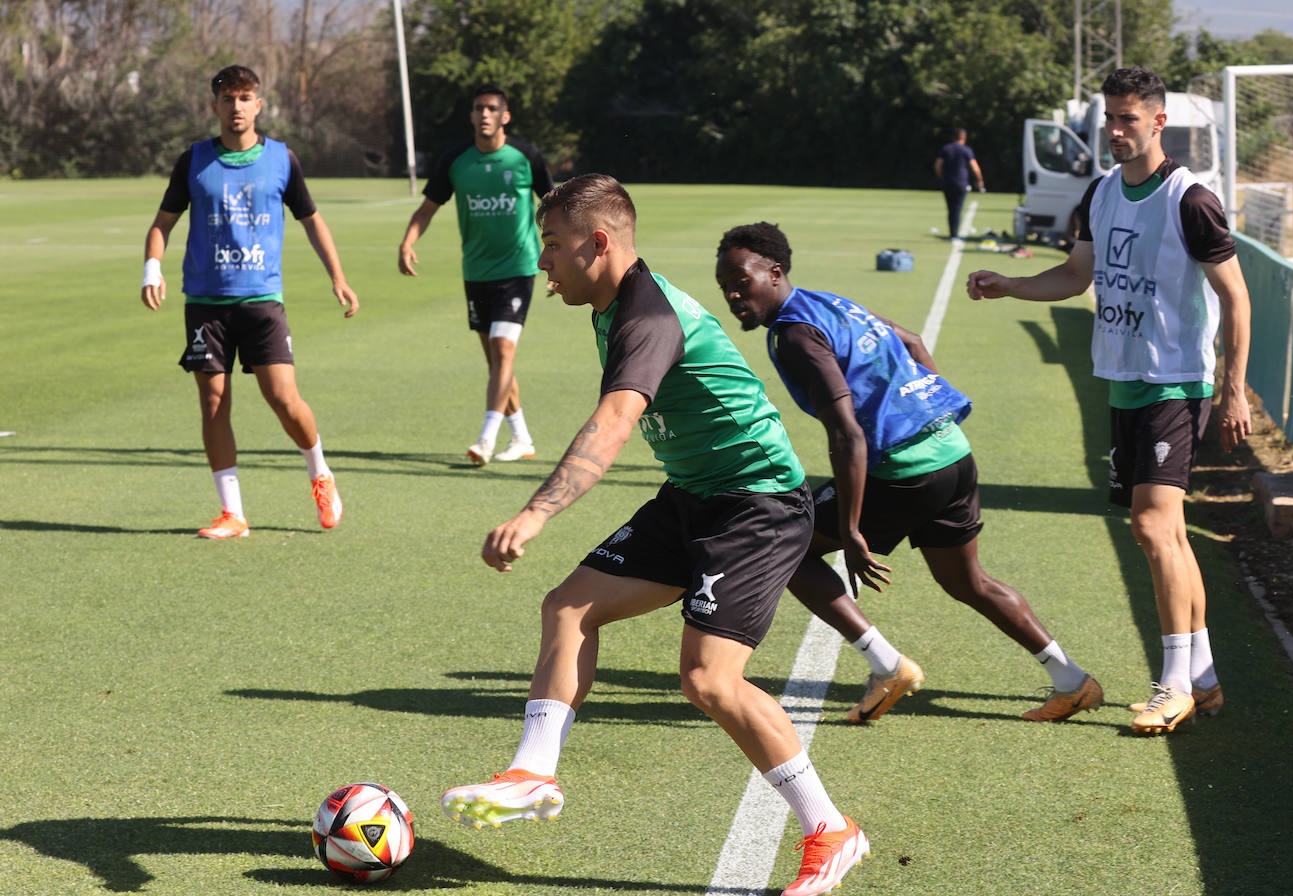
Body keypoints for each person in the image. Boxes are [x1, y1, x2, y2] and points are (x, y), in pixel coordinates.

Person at [441, 175, 869, 896]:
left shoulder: (645, 315)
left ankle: (832, 830)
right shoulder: (612, 304)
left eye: (551, 244)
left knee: (708, 680)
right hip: (695, 495)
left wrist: (537, 512)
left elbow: (612, 426)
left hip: (756, 505)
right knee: (570, 606)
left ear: (597, 244)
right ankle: (534, 773)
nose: (541, 259)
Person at [715, 222, 1102, 725]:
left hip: (904, 472)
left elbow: (847, 436)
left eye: (740, 281)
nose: (731, 293)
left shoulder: (795, 334)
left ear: (774, 272)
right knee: (968, 582)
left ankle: (887, 666)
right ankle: (1072, 681)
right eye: (724, 284)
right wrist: (929, 406)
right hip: (952, 454)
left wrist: (851, 529)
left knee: (788, 548)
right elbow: (914, 342)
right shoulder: (831, 302)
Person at [967, 67, 1252, 736]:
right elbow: (1075, 275)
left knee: (1153, 529)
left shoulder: (1191, 200)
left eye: (1128, 119)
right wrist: (1010, 284)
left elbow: (1235, 297)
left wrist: (1233, 387)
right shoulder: (1099, 193)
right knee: (1171, 534)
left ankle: (1174, 684)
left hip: (1174, 385)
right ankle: (1204, 680)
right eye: (1110, 120)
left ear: (1158, 122)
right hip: (1122, 383)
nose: (1116, 132)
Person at [140, 64, 358, 540]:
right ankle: (232, 513)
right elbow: (162, 224)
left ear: (258, 105)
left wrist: (338, 278)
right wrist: (151, 269)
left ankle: (320, 472)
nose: (235, 107)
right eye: (227, 98)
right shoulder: (193, 160)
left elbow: (312, 221)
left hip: (261, 299)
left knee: (283, 398)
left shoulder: (281, 159)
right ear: (213, 105)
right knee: (213, 401)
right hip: (205, 301)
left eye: (244, 98)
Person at [397, 84, 555, 466]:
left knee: (503, 349)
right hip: (476, 271)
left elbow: (555, 209)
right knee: (497, 361)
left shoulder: (525, 157)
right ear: (471, 116)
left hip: (519, 268)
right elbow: (427, 209)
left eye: (491, 108)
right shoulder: (456, 160)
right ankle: (522, 438)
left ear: (505, 116)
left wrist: (557, 262)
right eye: (478, 108)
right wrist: (407, 242)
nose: (484, 114)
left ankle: (485, 440)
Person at [934, 128, 985, 239]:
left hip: (947, 182)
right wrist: (980, 180)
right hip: (961, 183)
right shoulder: (966, 150)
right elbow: (975, 168)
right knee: (958, 208)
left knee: (951, 209)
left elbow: (938, 166)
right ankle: (954, 234)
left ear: (954, 137)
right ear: (964, 138)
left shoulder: (946, 149)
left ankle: (952, 232)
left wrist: (942, 177)